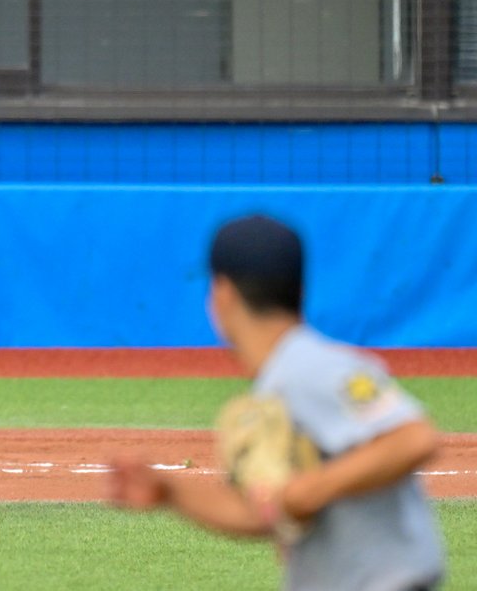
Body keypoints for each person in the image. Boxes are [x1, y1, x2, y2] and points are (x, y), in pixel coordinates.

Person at [108, 214, 446, 590]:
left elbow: (414, 438)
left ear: (222, 295)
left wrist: (310, 490)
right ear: (301, 292)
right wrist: (171, 491)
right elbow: (265, 513)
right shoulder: (280, 383)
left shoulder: (312, 366)